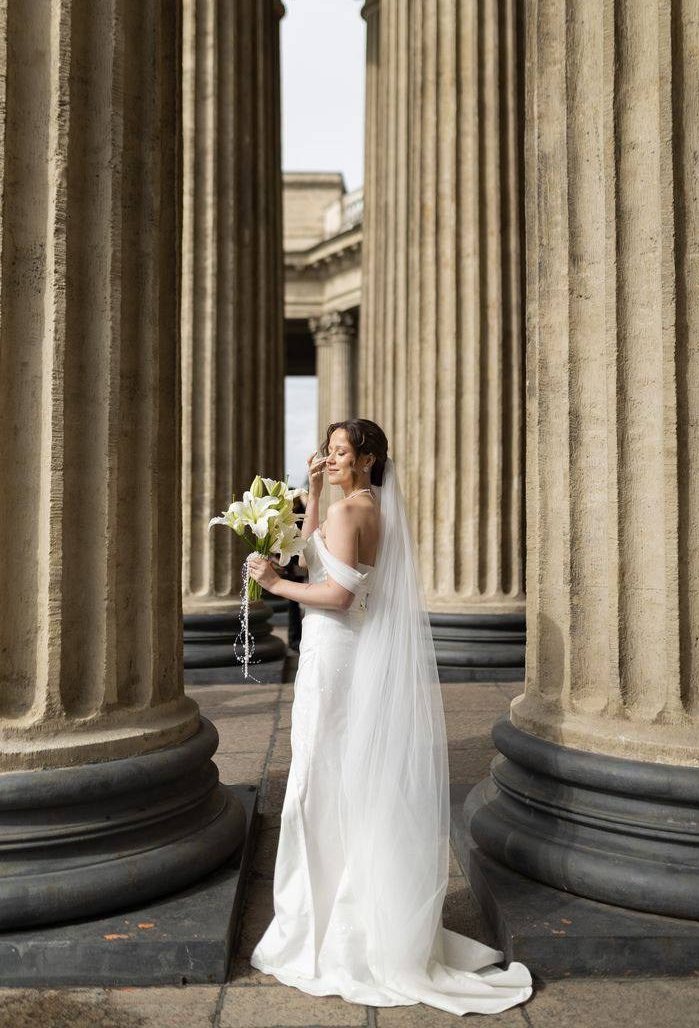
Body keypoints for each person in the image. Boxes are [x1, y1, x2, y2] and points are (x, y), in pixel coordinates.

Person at [246, 418, 533, 1015]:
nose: (331, 456)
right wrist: (313, 488)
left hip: (334, 652)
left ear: (370, 457)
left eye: (341, 451)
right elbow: (317, 550)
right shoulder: (360, 505)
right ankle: (343, 911)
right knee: (339, 780)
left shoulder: (354, 513)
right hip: (342, 652)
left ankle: (325, 928)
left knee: (318, 782)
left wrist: (275, 585)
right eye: (328, 449)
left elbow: (338, 594)